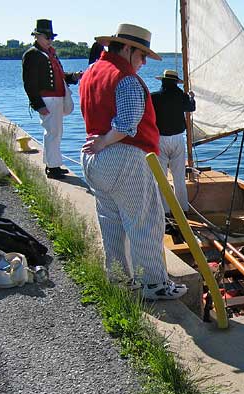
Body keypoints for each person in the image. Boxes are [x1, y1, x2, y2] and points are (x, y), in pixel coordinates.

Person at [79, 23, 187, 301]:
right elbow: (127, 123)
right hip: (122, 155)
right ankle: (154, 284)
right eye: (141, 56)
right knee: (145, 221)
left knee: (111, 221)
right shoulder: (125, 78)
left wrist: (100, 142)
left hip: (93, 159)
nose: (142, 64)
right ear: (127, 49)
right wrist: (105, 141)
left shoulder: (91, 72)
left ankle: (118, 278)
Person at [22, 19, 82, 179]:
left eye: (51, 37)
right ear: (37, 36)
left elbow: (59, 77)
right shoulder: (32, 55)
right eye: (47, 37)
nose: (50, 40)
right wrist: (38, 104)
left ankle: (53, 163)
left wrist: (73, 77)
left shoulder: (51, 53)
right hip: (46, 99)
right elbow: (29, 82)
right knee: (52, 132)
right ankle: (52, 167)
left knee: (56, 132)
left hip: (57, 97)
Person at [150, 69, 196, 215]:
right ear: (176, 82)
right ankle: (183, 209)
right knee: (179, 176)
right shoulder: (181, 96)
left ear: (163, 81)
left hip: (160, 139)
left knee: (161, 178)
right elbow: (191, 107)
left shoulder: (154, 97)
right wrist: (191, 97)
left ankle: (165, 211)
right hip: (178, 138)